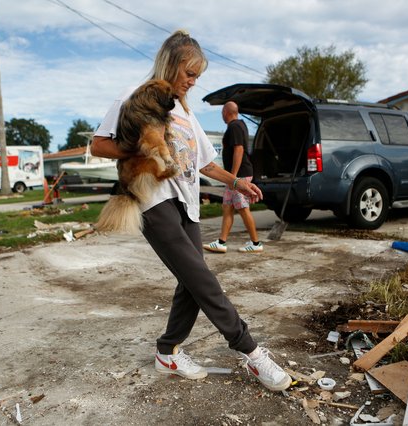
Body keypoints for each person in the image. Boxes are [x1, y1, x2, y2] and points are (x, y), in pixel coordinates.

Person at [90, 30, 291, 392]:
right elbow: (99, 145)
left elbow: (206, 164)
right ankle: (251, 351)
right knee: (203, 279)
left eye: (197, 75)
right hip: (154, 198)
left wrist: (236, 182)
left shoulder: (183, 110)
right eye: (190, 73)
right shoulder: (133, 97)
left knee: (190, 281)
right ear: (171, 64)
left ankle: (167, 351)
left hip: (188, 202)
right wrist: (141, 151)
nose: (193, 82)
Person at [203, 101, 262, 254]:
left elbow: (239, 149)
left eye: (222, 112)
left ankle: (256, 243)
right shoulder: (239, 125)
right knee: (227, 207)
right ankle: (221, 242)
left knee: (242, 208)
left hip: (239, 175)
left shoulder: (235, 126)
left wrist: (234, 178)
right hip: (236, 175)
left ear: (226, 112)